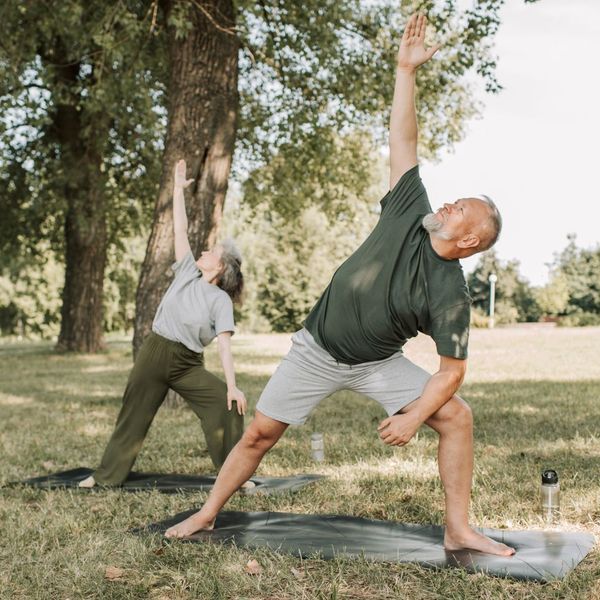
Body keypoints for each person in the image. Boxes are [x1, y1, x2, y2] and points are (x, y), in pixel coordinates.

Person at [164, 14, 514, 556]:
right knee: (259, 435)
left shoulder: (450, 292)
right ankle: (207, 515)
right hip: (316, 348)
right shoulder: (410, 209)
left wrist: (415, 416)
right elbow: (403, 136)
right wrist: (405, 71)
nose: (449, 203)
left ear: (469, 240)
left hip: (375, 362)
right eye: (454, 198)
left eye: (461, 208)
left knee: (457, 417)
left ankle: (458, 529)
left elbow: (452, 372)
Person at [79, 159, 247, 488]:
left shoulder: (220, 301)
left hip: (187, 364)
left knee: (226, 405)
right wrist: (177, 190)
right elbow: (180, 229)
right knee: (133, 414)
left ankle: (235, 478)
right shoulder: (186, 271)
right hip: (155, 353)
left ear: (220, 268)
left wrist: (232, 385)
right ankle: (105, 477)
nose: (204, 249)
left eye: (211, 251)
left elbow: (225, 346)